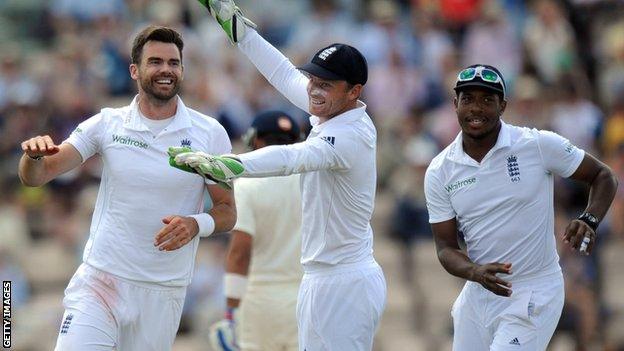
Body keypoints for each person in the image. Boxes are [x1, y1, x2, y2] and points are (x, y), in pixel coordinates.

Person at [171, 1, 387, 350]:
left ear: (354, 91)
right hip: (318, 278)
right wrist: (241, 34)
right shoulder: (330, 110)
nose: (314, 89)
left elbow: (292, 157)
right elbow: (283, 72)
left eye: (326, 84)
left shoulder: (352, 135)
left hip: (345, 282)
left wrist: (230, 164)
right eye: (314, 80)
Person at [18, 25, 236, 351]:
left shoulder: (210, 133)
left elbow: (227, 211)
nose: (166, 69)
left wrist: (195, 224)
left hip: (163, 290)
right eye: (156, 61)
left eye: (174, 63)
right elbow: (37, 175)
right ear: (135, 70)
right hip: (102, 280)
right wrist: (32, 157)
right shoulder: (107, 124)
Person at [423, 63, 618, 350]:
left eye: (487, 100)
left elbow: (603, 176)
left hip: (534, 289)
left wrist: (589, 218)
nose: (476, 108)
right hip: (479, 294)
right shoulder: (440, 170)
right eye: (468, 99)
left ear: (503, 105)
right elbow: (445, 248)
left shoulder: (536, 144)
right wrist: (474, 272)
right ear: (455, 104)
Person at [209, 110, 303, 351]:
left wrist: (230, 312)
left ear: (257, 141)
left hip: (262, 299)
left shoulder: (248, 185)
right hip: (307, 297)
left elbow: (240, 253)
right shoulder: (312, 182)